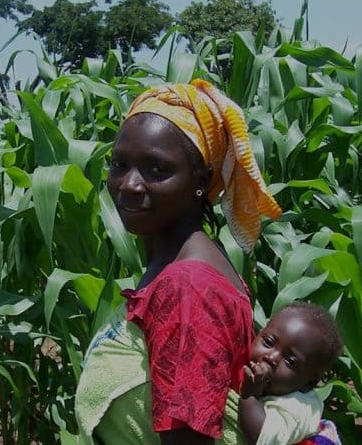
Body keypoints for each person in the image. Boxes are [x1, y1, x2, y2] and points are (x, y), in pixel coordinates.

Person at [74, 79, 282, 444]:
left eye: (157, 170)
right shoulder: (181, 264)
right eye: (120, 164)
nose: (129, 185)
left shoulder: (189, 286)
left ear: (199, 180)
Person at [223, 301, 344, 445]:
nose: (271, 357)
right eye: (268, 342)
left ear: (310, 382)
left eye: (290, 361)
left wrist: (250, 396)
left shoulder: (298, 408)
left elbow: (264, 439)